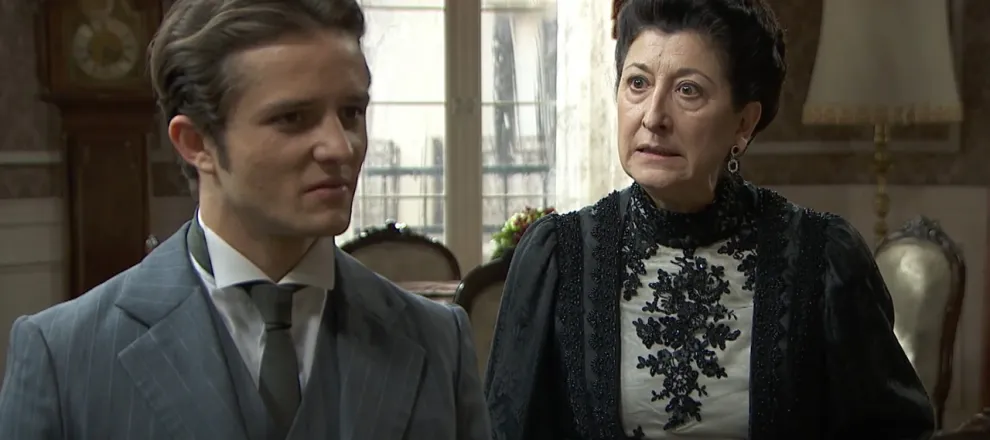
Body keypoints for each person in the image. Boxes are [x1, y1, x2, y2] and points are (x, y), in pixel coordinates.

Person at [0, 0, 491, 439]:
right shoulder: (65, 356)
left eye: (351, 113)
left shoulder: (436, 340)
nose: (340, 148)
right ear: (196, 143)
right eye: (293, 118)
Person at [484, 0, 934, 439]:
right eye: (637, 83)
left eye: (688, 91)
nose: (654, 117)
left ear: (744, 123)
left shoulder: (823, 259)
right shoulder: (560, 256)